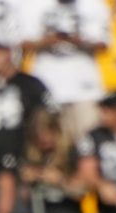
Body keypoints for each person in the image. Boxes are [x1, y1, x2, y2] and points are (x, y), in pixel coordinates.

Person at [20, 0, 109, 141]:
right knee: (54, 146)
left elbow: (104, 43)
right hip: (47, 87)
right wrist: (48, 40)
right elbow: (23, 43)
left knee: (89, 142)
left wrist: (77, 40)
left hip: (85, 90)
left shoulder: (94, 5)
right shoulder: (33, 4)